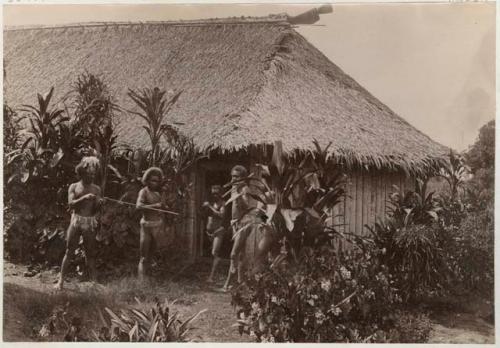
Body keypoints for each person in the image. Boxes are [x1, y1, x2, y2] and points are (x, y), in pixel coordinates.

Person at [56, 156, 103, 290]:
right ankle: (61, 281)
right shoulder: (74, 187)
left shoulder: (96, 189)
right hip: (76, 221)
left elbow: (95, 209)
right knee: (69, 251)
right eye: (89, 173)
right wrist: (84, 198)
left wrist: (99, 204)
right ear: (82, 172)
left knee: (90, 253)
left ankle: (94, 283)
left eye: (94, 174)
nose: (92, 176)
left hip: (89, 222)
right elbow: (71, 204)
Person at [222, 165, 258, 291]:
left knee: (233, 254)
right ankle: (240, 282)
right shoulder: (234, 188)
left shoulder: (244, 189)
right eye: (232, 176)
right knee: (241, 254)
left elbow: (247, 205)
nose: (233, 179)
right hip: (236, 223)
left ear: (243, 178)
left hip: (245, 222)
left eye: (236, 177)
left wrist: (238, 197)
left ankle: (227, 284)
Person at [136, 167, 167, 281]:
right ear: (147, 180)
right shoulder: (143, 191)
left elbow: (162, 206)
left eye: (157, 181)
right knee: (143, 257)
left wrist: (163, 206)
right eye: (153, 180)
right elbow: (138, 206)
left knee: (153, 255)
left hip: (157, 225)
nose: (155, 183)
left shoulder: (158, 193)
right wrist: (154, 206)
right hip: (146, 226)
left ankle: (149, 278)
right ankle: (141, 282)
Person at [202, 185, 226, 284]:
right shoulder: (210, 202)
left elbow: (221, 215)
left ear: (220, 194)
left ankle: (211, 276)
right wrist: (204, 207)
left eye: (217, 193)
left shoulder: (223, 203)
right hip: (209, 231)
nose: (215, 195)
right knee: (211, 253)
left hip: (218, 231)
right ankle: (213, 274)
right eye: (213, 193)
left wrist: (210, 207)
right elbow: (203, 215)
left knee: (214, 253)